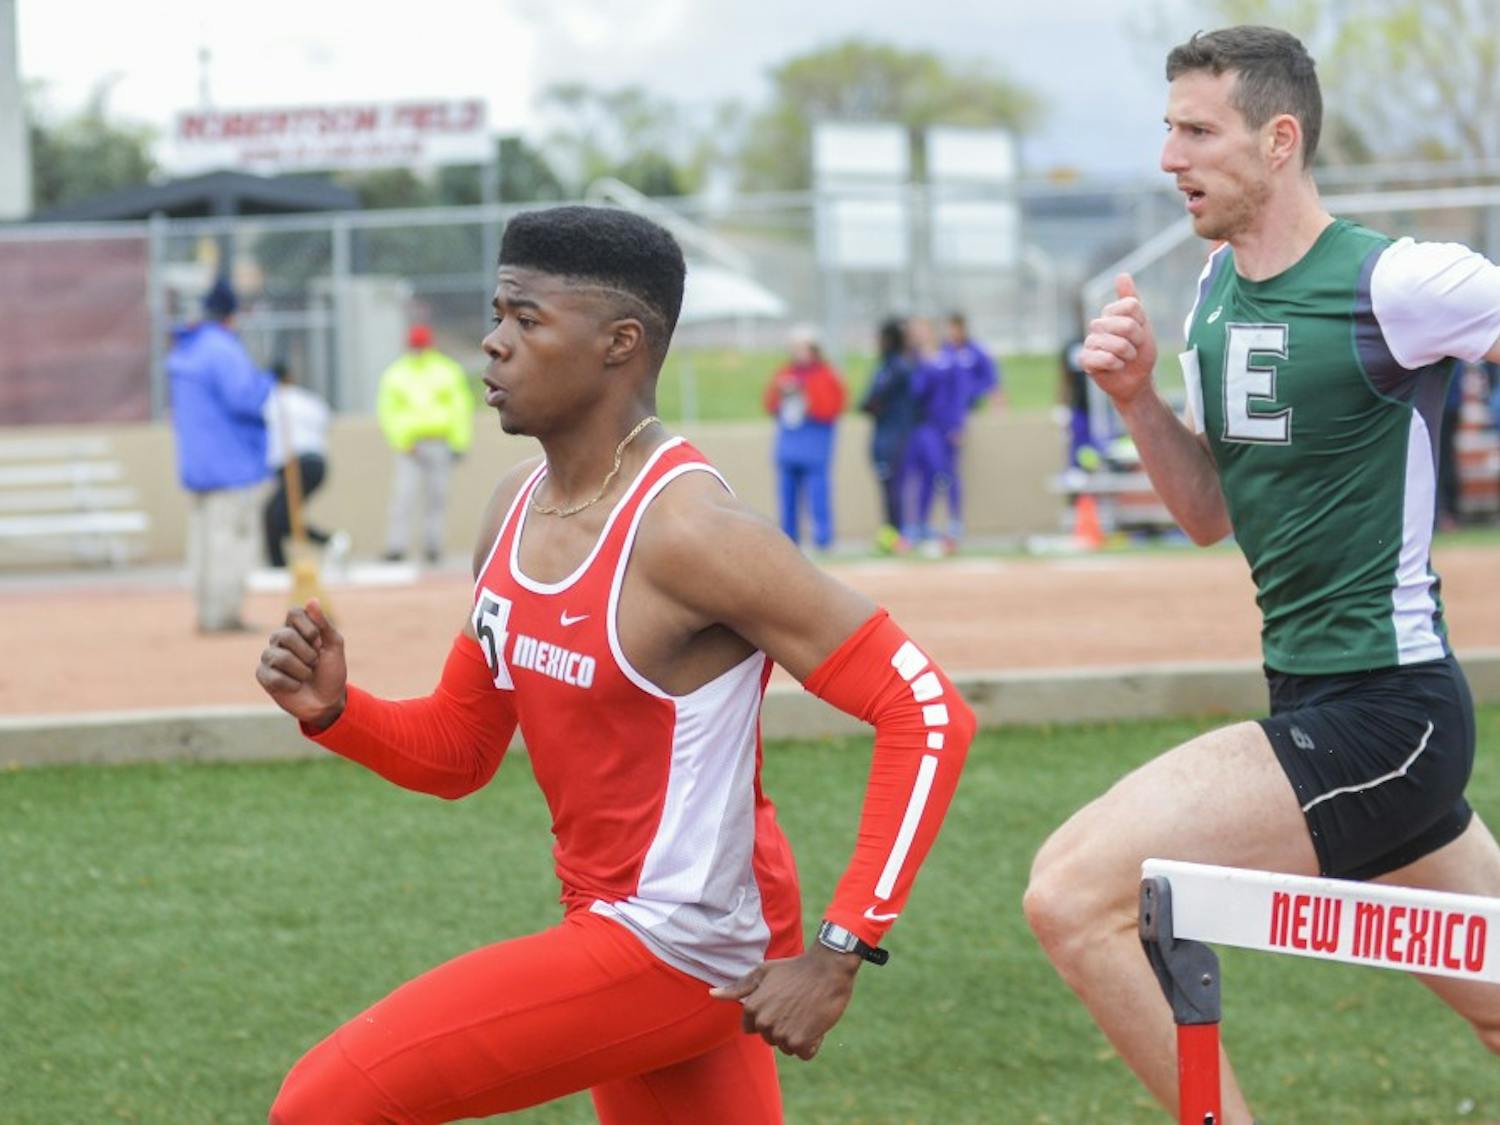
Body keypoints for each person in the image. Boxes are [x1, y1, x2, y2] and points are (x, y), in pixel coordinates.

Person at [255, 205, 974, 1123]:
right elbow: (462, 748)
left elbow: (926, 709)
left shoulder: (692, 534)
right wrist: (335, 711)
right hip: (615, 930)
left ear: (618, 344)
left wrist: (840, 952)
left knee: (323, 1104)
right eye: (497, 313)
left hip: (688, 942)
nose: (492, 344)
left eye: (525, 318)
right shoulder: (513, 509)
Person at [1023, 26, 1500, 1124]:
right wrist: (1139, 399)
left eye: (1198, 131)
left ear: (1279, 140)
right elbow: (1205, 515)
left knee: (1072, 895)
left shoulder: (1404, 280)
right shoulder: (1215, 293)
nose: (1169, 159)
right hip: (1318, 702)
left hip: (1391, 717)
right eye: (1168, 130)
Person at [166, 278, 274, 633]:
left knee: (204, 543)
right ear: (232, 313)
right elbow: (244, 397)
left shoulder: (186, 349)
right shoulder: (223, 349)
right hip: (230, 463)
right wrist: (268, 381)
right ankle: (225, 614)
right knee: (231, 541)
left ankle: (207, 612)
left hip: (197, 463)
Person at [377, 324, 474, 565]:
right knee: (403, 495)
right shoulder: (397, 374)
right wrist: (401, 441)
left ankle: (433, 546)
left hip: (439, 441)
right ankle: (396, 546)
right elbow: (388, 412)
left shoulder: (447, 371)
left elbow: (460, 408)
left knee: (437, 497)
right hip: (411, 446)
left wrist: (459, 442)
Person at [762, 325, 846, 551]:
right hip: (789, 446)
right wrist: (783, 393)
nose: (798, 352)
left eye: (803, 347)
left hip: (815, 446)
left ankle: (823, 540)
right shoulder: (784, 372)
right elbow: (769, 404)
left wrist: (806, 396)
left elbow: (832, 407)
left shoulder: (826, 374)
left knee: (818, 496)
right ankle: (790, 541)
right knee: (787, 498)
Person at [262, 362, 348, 570]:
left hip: (295, 463)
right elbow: (327, 420)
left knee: (277, 516)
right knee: (277, 515)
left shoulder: (271, 402)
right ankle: (327, 543)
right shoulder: (308, 399)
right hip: (317, 463)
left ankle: (326, 542)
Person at [903, 317, 969, 555]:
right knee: (924, 475)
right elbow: (915, 392)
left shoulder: (949, 358)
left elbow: (959, 393)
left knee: (947, 472)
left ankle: (954, 522)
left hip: (945, 426)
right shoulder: (914, 361)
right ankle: (920, 523)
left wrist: (958, 424)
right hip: (923, 426)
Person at [859, 316, 917, 553]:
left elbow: (872, 400)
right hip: (886, 435)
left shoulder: (896, 368)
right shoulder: (886, 366)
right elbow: (866, 403)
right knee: (888, 487)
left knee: (893, 487)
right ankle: (892, 534)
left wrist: (873, 404)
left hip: (893, 437)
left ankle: (898, 536)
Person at [941, 312, 1005, 413]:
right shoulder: (943, 351)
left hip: (973, 402)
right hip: (949, 403)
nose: (952, 332)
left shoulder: (976, 350)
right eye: (950, 328)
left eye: (955, 328)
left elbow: (991, 377)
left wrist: (997, 403)